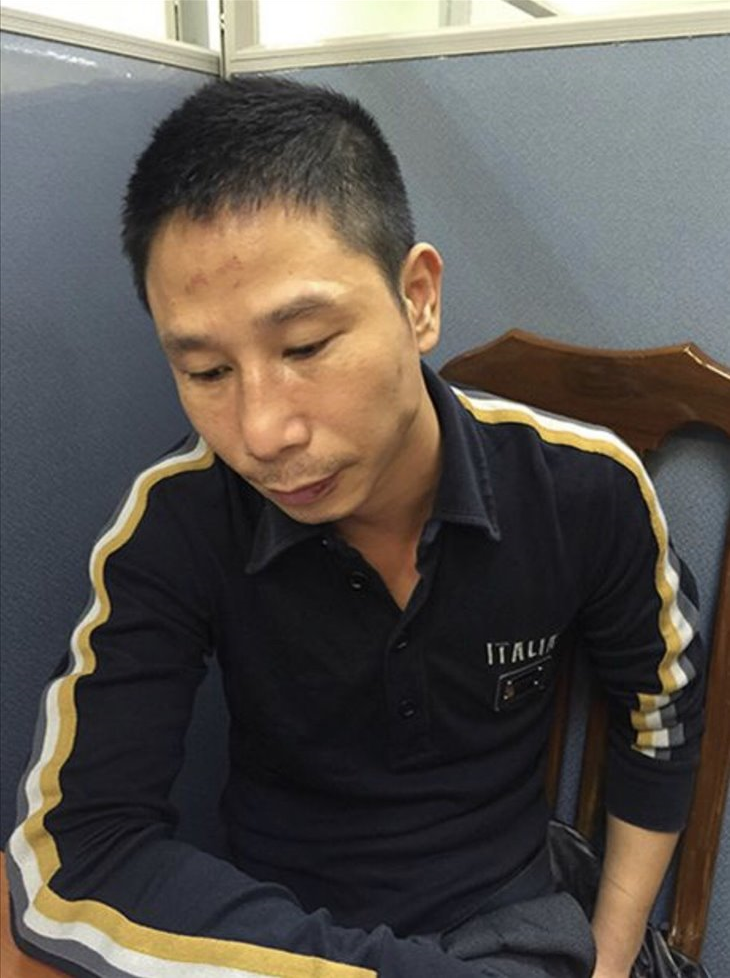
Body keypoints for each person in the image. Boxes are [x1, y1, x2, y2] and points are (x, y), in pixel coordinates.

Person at [8, 76, 705, 978]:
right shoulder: (179, 515)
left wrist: (610, 955)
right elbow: (74, 850)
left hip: (507, 921)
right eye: (208, 371)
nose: (263, 433)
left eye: (305, 347)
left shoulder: (583, 487)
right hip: (276, 939)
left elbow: (661, 712)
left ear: (417, 299)